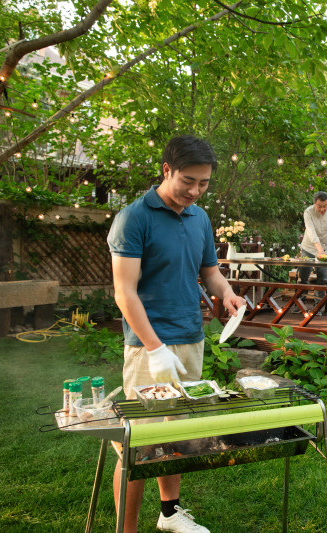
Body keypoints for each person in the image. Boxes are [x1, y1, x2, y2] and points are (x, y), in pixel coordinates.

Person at [107, 135, 246, 533]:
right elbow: (124, 291)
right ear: (166, 169)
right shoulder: (134, 218)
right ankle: (126, 530)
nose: (195, 190)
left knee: (177, 433)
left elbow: (210, 273)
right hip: (148, 347)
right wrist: (154, 348)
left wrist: (229, 293)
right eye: (188, 180)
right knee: (139, 447)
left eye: (203, 183)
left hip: (190, 338)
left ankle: (169, 514)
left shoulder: (199, 217)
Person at [298, 191, 327, 312]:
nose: (322, 209)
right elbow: (311, 232)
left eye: (325, 206)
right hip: (309, 247)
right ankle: (299, 304)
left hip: (326, 248)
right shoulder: (308, 212)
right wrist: (319, 250)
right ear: (314, 204)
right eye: (319, 206)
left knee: (323, 278)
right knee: (303, 277)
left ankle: (319, 306)